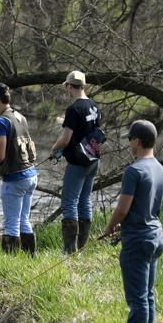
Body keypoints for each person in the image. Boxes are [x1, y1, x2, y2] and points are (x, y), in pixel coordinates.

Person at [103, 120, 163, 323]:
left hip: (137, 241)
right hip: (155, 237)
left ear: (137, 141)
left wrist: (111, 226)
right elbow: (147, 206)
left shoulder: (134, 171)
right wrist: (127, 220)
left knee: (137, 299)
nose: (130, 143)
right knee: (148, 295)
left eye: (130, 139)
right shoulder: (160, 169)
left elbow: (122, 209)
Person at [0, 83, 38, 255]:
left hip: (15, 179)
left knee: (11, 223)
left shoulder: (0, 122)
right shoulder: (20, 117)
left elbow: (1, 156)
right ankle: (30, 259)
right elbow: (17, 146)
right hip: (31, 175)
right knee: (23, 220)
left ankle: (9, 262)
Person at [49, 70, 102, 253]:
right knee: (85, 200)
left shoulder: (74, 109)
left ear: (70, 86)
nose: (66, 90)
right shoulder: (94, 106)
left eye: (66, 87)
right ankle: (81, 248)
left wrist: (54, 149)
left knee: (69, 202)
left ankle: (70, 251)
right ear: (84, 85)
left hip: (78, 162)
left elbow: (65, 138)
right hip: (94, 160)